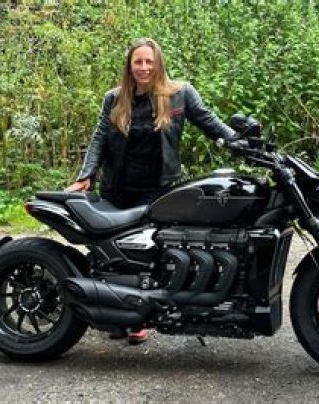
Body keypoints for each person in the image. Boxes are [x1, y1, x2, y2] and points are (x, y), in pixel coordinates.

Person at [67, 38, 236, 343]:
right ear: (129, 66)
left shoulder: (179, 94)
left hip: (157, 189)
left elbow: (210, 123)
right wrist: (86, 175)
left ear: (159, 64)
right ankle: (114, 315)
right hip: (116, 186)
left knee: (148, 255)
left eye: (149, 62)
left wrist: (240, 142)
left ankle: (139, 317)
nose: (144, 68)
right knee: (112, 254)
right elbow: (100, 138)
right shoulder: (115, 98)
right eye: (138, 62)